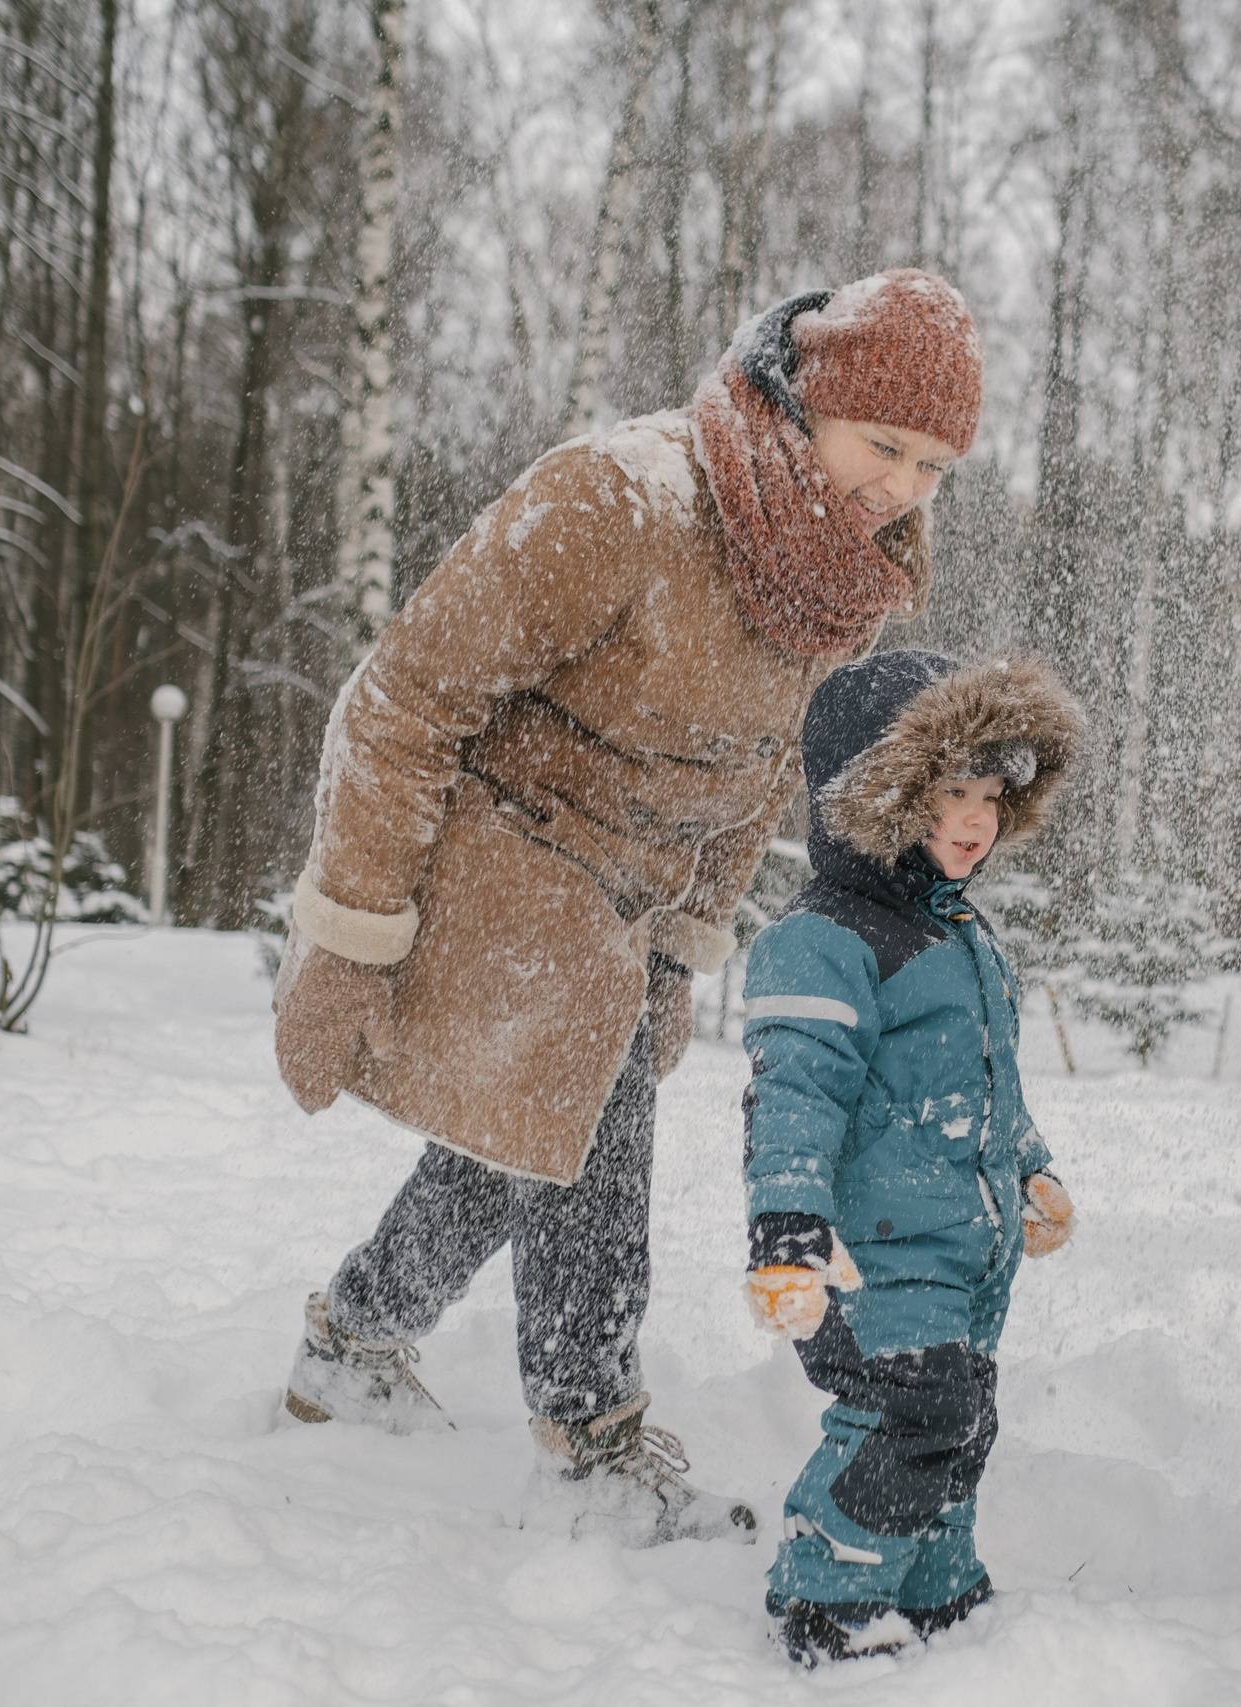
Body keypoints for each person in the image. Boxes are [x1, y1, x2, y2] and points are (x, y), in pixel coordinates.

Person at [268, 271, 985, 1548]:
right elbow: (401, 700)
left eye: (935, 466)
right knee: (591, 1092)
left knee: (533, 1119)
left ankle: (356, 1338)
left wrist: (681, 956)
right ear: (807, 402)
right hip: (486, 840)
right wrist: (346, 935)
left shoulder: (826, 570)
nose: (902, 489)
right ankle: (590, 1439)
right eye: (885, 446)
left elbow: (756, 772)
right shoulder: (623, 497)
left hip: (620, 894)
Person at [734, 648, 1085, 1663]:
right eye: (948, 795)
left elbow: (978, 1085)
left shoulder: (958, 933)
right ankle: (823, 1594)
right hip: (869, 1257)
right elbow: (792, 1094)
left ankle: (932, 1583)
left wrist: (1027, 1168)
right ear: (880, 796)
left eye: (987, 795)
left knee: (960, 1420)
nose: (975, 819)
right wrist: (787, 1234)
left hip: (958, 1252)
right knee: (905, 1415)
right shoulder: (822, 938)